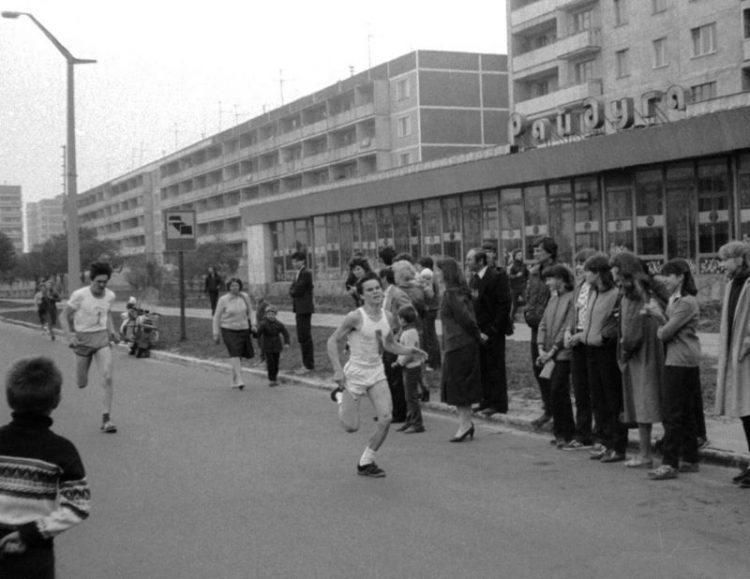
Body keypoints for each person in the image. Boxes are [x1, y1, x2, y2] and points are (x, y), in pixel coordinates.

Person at [326, 272, 427, 478]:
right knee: (351, 427)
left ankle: (366, 462)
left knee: (386, 418)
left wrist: (410, 351)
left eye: (377, 288)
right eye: (370, 290)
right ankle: (339, 396)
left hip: (376, 371)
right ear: (362, 295)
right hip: (355, 373)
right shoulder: (355, 317)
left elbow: (389, 344)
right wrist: (337, 369)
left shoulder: (388, 316)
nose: (376, 292)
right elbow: (332, 341)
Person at [0, 357, 91, 579]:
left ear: (9, 398)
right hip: (35, 552)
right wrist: (32, 533)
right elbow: (79, 506)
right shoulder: (62, 450)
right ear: (56, 400)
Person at [644, 258, 703, 480]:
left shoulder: (686, 302)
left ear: (680, 276)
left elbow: (665, 332)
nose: (666, 279)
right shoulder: (676, 300)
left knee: (673, 412)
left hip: (680, 359)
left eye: (669, 275)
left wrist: (657, 315)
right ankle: (689, 457)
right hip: (680, 358)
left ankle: (670, 462)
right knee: (685, 412)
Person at [568, 254, 627, 464]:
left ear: (599, 273)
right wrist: (582, 337)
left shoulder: (614, 294)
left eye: (588, 271)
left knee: (612, 399)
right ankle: (603, 440)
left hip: (606, 351)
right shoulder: (593, 293)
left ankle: (617, 444)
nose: (584, 275)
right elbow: (588, 320)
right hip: (590, 349)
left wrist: (603, 336)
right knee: (598, 398)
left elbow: (614, 322)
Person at [611, 251, 666, 469]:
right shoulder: (651, 289)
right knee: (660, 401)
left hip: (640, 355)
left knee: (644, 404)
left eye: (617, 275)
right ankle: (674, 451)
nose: (615, 280)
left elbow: (631, 332)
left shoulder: (630, 295)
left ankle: (645, 455)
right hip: (657, 351)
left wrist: (623, 352)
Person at [63, 261, 120, 433]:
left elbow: (107, 312)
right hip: (83, 340)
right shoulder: (79, 295)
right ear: (91, 280)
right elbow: (63, 316)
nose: (102, 285)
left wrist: (112, 330)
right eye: (98, 282)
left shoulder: (110, 296)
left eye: (105, 282)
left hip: (101, 337)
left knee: (108, 376)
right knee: (81, 383)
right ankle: (81, 378)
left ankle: (106, 419)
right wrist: (70, 336)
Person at [714, 241, 750, 487]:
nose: (722, 264)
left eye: (725, 259)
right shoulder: (731, 285)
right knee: (746, 413)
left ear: (740, 259)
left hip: (747, 354)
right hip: (736, 356)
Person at [436, 257, 483, 443]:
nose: (437, 274)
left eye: (439, 270)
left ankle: (465, 424)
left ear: (446, 273)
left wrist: (477, 334)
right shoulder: (455, 292)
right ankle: (465, 423)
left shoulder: (451, 294)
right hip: (458, 343)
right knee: (459, 385)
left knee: (459, 385)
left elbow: (465, 318)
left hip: (459, 344)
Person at [466, 248, 510, 417]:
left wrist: (493, 330)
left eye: (470, 259)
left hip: (493, 331)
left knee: (495, 366)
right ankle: (486, 399)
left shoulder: (496, 277)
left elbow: (503, 305)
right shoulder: (474, 279)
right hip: (479, 331)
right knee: (483, 366)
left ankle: (498, 403)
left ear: (481, 261)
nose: (467, 262)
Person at [561, 248, 597, 451]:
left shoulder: (598, 289)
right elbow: (572, 313)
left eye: (582, 263)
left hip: (590, 339)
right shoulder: (579, 287)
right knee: (580, 389)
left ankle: (599, 433)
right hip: (576, 340)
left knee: (595, 390)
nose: (578, 267)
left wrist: (581, 334)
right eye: (576, 263)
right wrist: (568, 330)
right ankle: (583, 433)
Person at [536, 264, 576, 448]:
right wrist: (540, 347)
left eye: (550, 279)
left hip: (562, 353)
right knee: (554, 391)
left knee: (559, 390)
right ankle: (560, 431)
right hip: (549, 354)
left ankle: (566, 432)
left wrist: (552, 350)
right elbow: (543, 324)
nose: (548, 283)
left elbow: (566, 326)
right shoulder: (553, 300)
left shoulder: (571, 298)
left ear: (560, 279)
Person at [524, 237, 559, 428]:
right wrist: (527, 311)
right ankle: (547, 409)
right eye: (534, 250)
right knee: (538, 369)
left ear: (550, 253)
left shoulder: (557, 272)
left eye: (539, 250)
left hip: (551, 327)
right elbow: (529, 294)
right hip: (535, 327)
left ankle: (557, 411)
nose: (535, 253)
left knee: (551, 370)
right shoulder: (534, 273)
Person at [380, 266, 412, 423]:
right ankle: (391, 410)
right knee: (387, 376)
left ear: (385, 278)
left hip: (395, 340)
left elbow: (410, 312)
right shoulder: (383, 295)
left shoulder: (397, 294)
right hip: (385, 340)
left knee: (395, 378)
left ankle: (400, 412)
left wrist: (399, 333)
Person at [212, 278, 255, 390]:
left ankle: (233, 379)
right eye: (232, 286)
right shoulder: (223, 299)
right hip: (228, 328)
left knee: (238, 354)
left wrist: (253, 324)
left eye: (236, 285)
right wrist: (216, 333)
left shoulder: (245, 297)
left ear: (240, 286)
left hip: (243, 328)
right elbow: (216, 316)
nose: (234, 288)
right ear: (228, 287)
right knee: (234, 352)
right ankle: (240, 379)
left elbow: (250, 311)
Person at [393, 305, 425, 434]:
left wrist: (399, 363)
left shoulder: (409, 333)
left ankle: (417, 423)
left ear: (403, 320)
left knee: (411, 397)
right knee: (408, 396)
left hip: (412, 368)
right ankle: (410, 420)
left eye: (399, 318)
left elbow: (410, 353)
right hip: (408, 367)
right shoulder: (408, 331)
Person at [289, 251, 315, 374]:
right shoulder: (299, 273)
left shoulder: (306, 273)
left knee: (305, 337)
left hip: (304, 309)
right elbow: (292, 288)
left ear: (303, 261)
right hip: (300, 308)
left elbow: (296, 290)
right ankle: (306, 363)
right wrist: (292, 289)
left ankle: (308, 365)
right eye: (293, 261)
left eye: (297, 261)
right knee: (302, 336)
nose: (295, 263)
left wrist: (292, 289)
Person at [255, 304, 290, 387]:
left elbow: (285, 333)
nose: (271, 316)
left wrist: (286, 343)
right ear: (266, 315)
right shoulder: (263, 324)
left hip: (277, 345)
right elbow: (258, 334)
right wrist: (254, 333)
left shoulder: (279, 324)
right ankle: (272, 379)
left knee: (276, 362)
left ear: (275, 315)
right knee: (270, 362)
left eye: (273, 314)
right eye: (269, 314)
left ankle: (275, 377)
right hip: (267, 345)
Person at [417, 256, 441, 371]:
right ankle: (433, 360)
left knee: (430, 336)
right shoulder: (432, 274)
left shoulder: (426, 274)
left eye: (419, 265)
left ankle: (433, 362)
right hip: (432, 308)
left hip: (429, 308)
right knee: (430, 335)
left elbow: (428, 292)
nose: (418, 268)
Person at [508, 249, 528, 321]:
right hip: (514, 288)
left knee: (527, 301)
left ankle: (527, 317)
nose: (521, 256)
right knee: (514, 305)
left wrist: (527, 281)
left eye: (521, 254)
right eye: (519, 255)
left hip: (523, 287)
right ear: (515, 256)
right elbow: (509, 276)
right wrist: (516, 276)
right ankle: (510, 320)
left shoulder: (524, 265)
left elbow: (527, 275)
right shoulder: (512, 266)